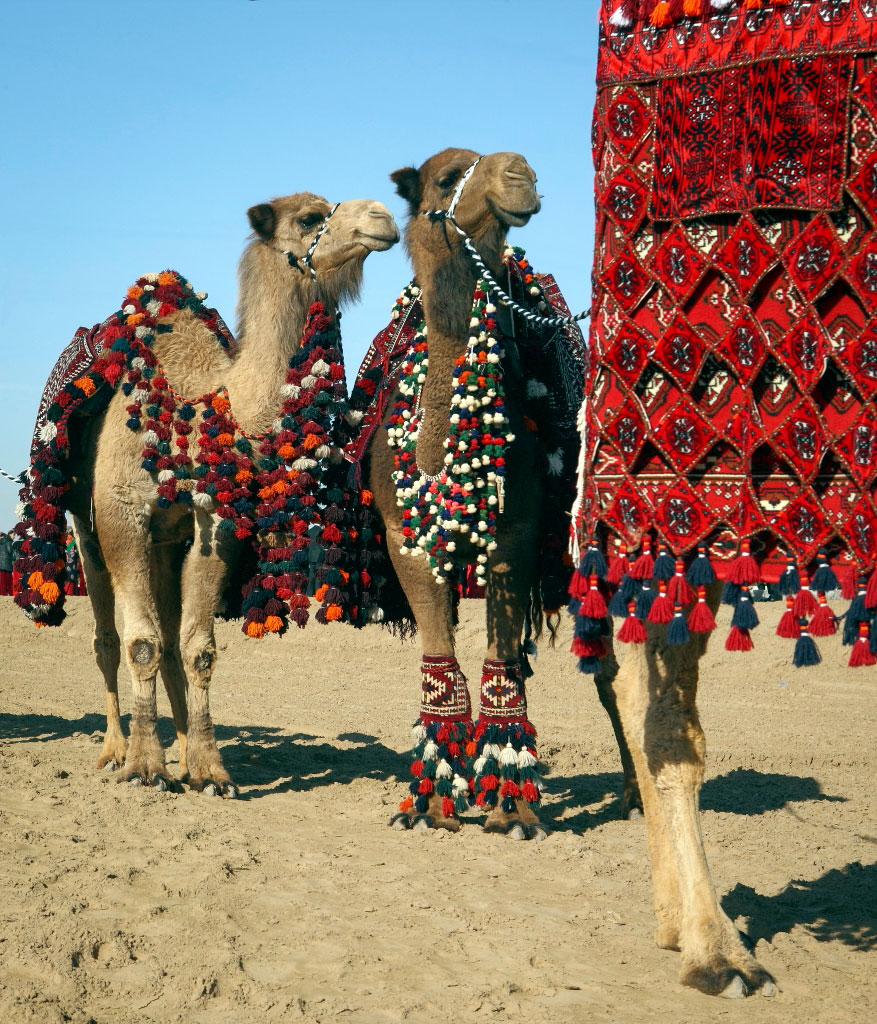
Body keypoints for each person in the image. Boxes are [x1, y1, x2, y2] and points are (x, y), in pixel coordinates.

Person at [0, 530, 13, 596]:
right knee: (8, 579)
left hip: (0, 563)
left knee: (2, 579)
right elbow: (10, 550)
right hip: (7, 562)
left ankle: (2, 592)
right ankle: (9, 592)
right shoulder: (8, 541)